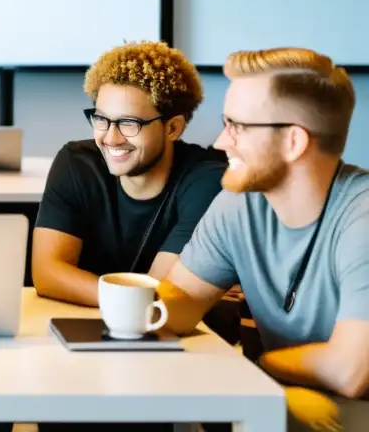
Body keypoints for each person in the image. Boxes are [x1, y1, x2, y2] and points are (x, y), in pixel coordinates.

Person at [157, 48, 369, 430]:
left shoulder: (362, 216)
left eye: (238, 126)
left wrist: (261, 366)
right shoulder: (239, 204)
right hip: (293, 395)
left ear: (293, 142)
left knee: (278, 411)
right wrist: (131, 306)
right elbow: (181, 302)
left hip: (353, 403)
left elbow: (351, 371)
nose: (221, 142)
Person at [32, 40, 226, 308]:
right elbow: (47, 273)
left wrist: (81, 286)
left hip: (171, 336)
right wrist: (131, 299)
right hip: (88, 322)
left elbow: (162, 296)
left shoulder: (206, 180)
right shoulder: (77, 162)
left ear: (173, 128)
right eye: (101, 119)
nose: (110, 138)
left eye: (128, 123)